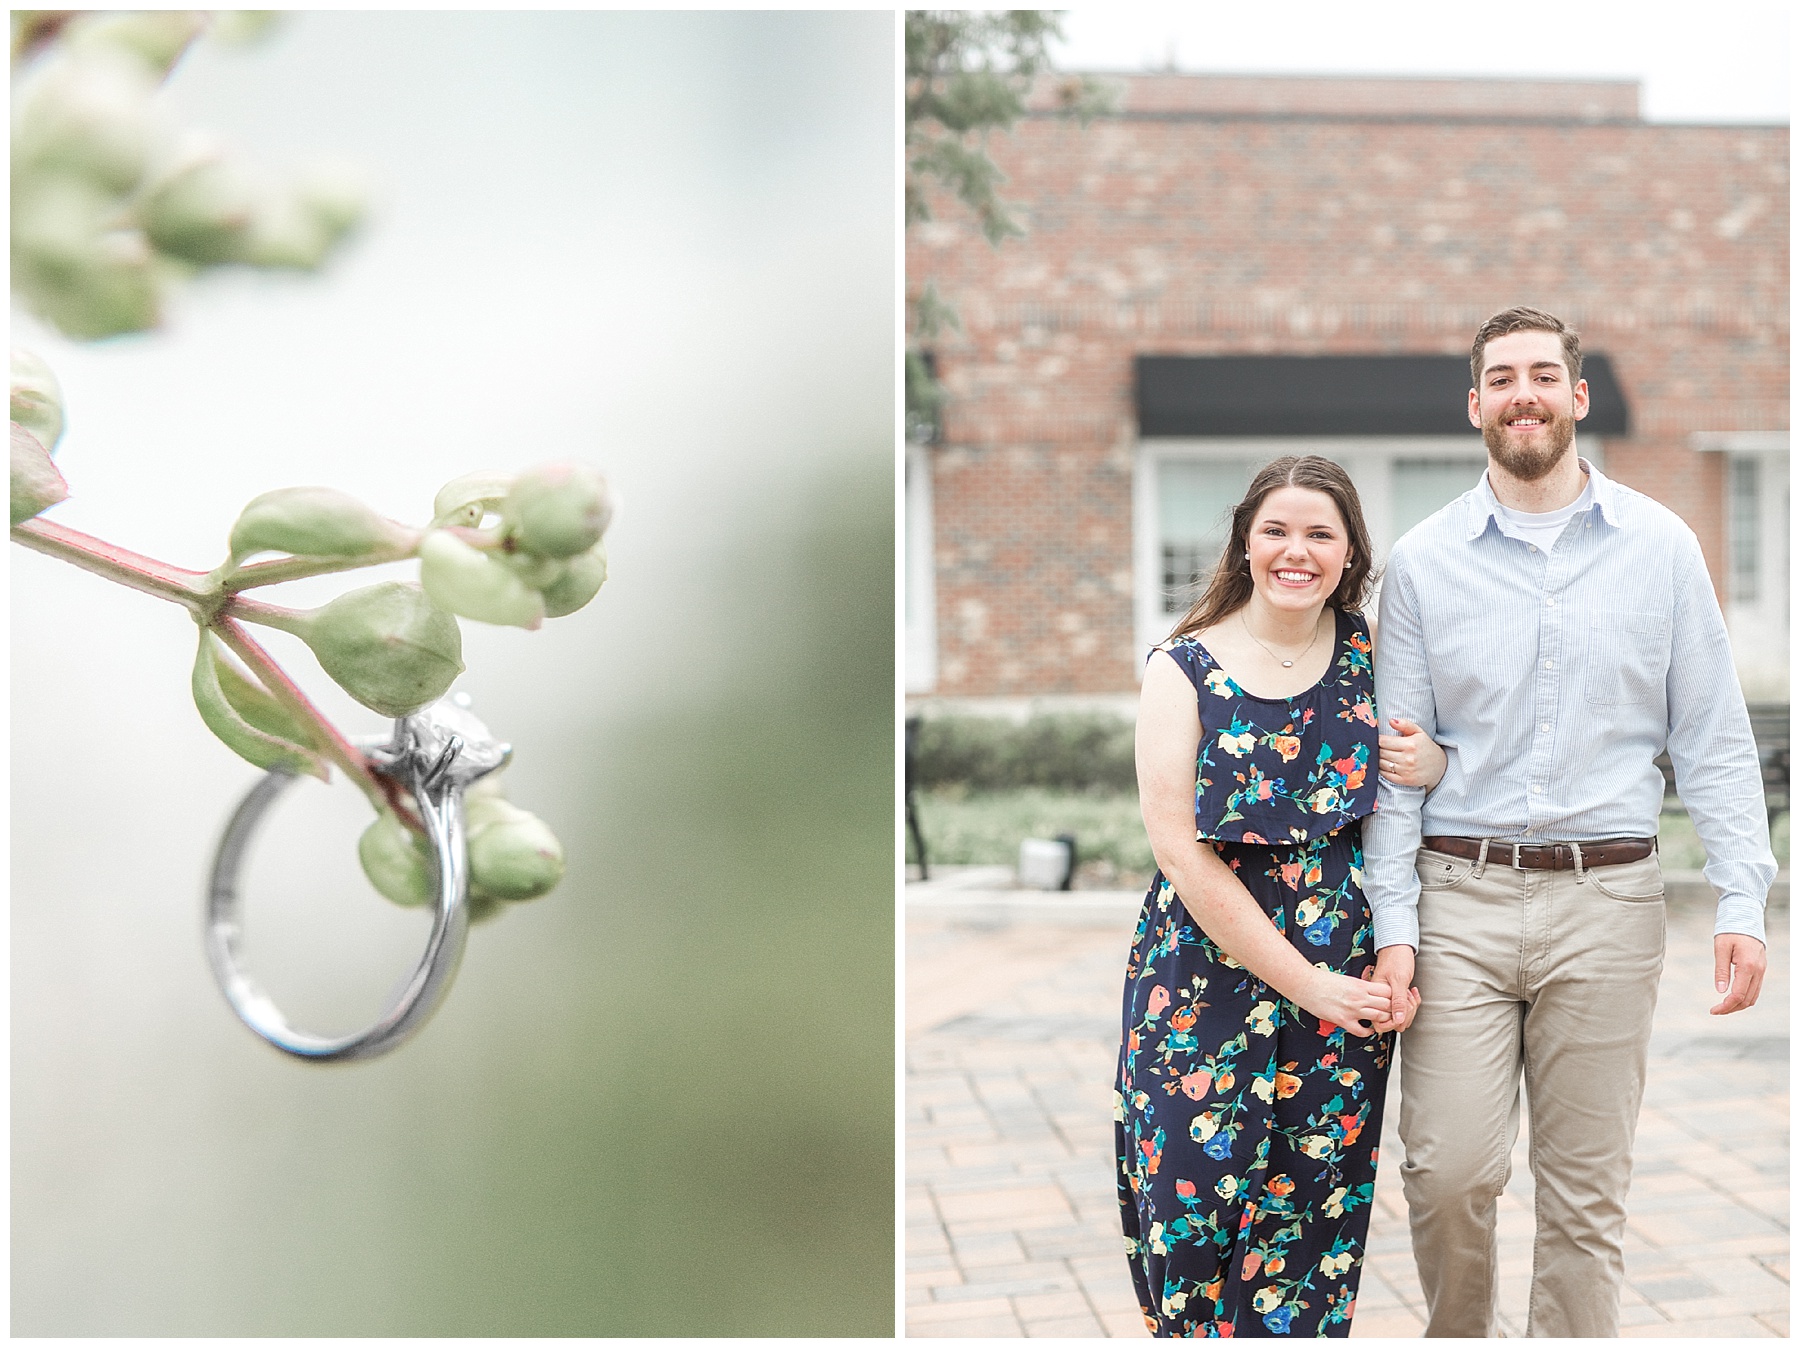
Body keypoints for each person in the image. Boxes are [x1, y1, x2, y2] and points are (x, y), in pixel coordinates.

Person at [1363, 305, 1777, 1338]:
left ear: (1578, 395)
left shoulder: (1663, 548)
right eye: (1502, 379)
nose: (1525, 395)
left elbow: (1713, 736)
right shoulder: (1422, 562)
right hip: (1460, 900)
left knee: (1586, 1196)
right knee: (1447, 1171)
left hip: (1610, 902)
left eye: (1543, 375)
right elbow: (1395, 770)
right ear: (1475, 405)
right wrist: (1395, 925)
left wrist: (1743, 897)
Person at [1117, 455, 1438, 1337]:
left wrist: (1438, 762)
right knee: (1190, 1207)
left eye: (1320, 534)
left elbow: (1429, 774)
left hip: (1345, 960)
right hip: (1201, 972)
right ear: (1246, 543)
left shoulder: (1374, 653)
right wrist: (1309, 985)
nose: (1297, 551)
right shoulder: (1181, 668)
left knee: (1310, 1219)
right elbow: (1180, 852)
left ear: (1350, 553)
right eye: (1277, 531)